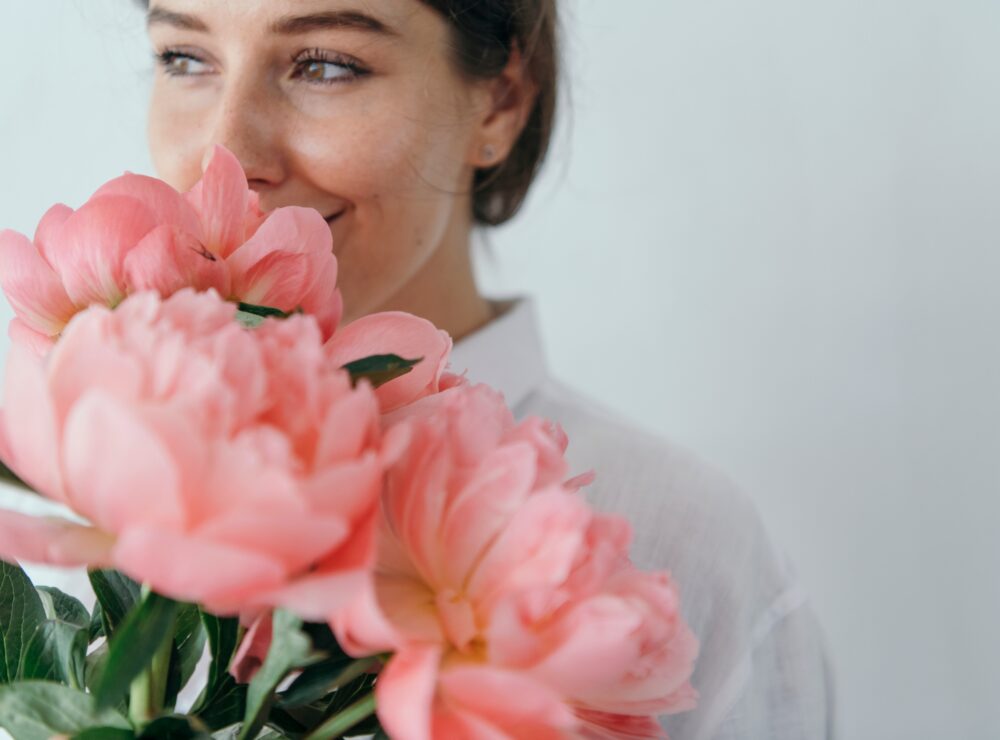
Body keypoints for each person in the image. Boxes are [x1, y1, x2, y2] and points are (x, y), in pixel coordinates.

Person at [6, 0, 835, 736]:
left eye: (325, 62)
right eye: (184, 57)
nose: (226, 151)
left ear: (501, 103)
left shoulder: (675, 543)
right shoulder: (68, 489)